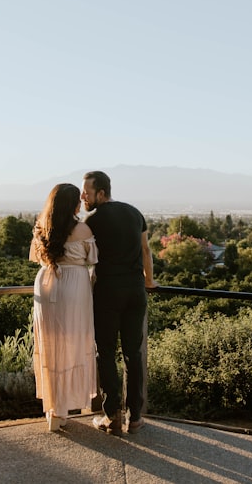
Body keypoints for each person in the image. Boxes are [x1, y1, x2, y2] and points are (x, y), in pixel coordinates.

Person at [81, 170, 157, 436]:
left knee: (106, 351)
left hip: (108, 291)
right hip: (136, 290)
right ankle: (135, 417)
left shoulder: (92, 220)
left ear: (101, 193)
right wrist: (150, 281)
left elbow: (82, 254)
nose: (83, 198)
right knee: (132, 354)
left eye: (87, 193)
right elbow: (146, 251)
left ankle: (112, 415)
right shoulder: (135, 213)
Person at [29, 183, 99, 431]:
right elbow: (92, 260)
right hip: (74, 286)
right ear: (73, 204)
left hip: (46, 284)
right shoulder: (82, 229)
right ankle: (63, 407)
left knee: (49, 344)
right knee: (73, 343)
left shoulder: (41, 227)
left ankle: (53, 410)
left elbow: (36, 257)